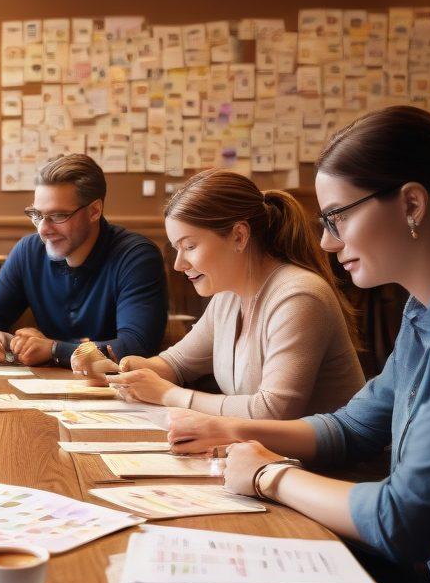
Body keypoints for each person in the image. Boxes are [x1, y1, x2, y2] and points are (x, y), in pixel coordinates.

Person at [167, 106, 430, 583]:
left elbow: (403, 519)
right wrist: (234, 433)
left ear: (411, 203)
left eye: (338, 217)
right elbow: (352, 425)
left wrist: (269, 478)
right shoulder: (422, 313)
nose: (325, 242)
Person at [103, 169, 364, 418]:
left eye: (190, 246)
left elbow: (273, 412)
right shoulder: (228, 297)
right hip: (264, 457)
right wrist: (121, 369)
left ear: (239, 236)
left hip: (325, 465)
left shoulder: (299, 296)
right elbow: (176, 364)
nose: (178, 264)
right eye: (176, 249)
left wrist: (170, 395)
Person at [0, 153, 167, 366]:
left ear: (94, 210)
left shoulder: (136, 256)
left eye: (58, 216)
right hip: (46, 388)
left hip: (119, 389)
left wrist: (55, 350)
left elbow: (137, 345)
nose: (43, 229)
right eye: (37, 215)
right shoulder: (29, 251)